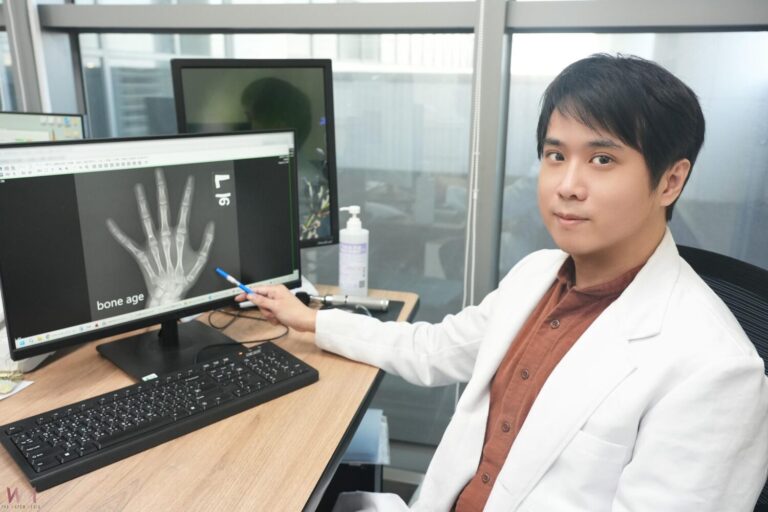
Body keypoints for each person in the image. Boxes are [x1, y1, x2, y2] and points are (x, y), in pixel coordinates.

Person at [237, 54, 768, 511]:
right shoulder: (536, 275)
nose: (567, 185)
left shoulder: (718, 371)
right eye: (556, 155)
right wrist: (311, 320)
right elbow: (433, 350)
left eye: (602, 159)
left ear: (670, 180)